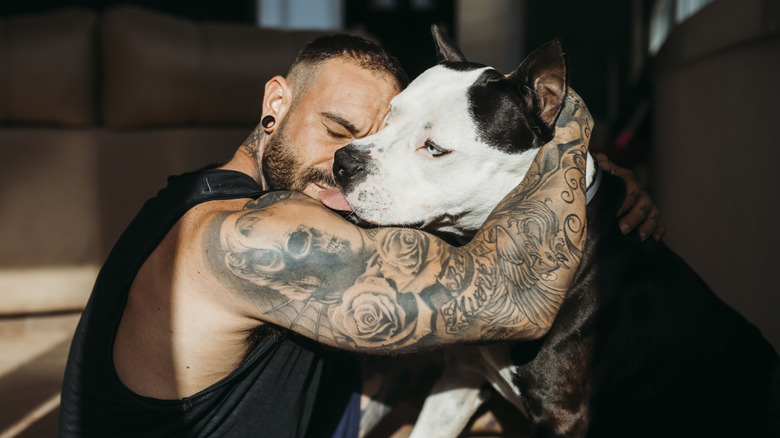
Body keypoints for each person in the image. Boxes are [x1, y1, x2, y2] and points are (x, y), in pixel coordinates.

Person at [59, 34, 662, 438]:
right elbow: (518, 301)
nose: (355, 160)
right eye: (337, 129)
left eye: (381, 140)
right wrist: (568, 134)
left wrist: (597, 191)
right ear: (275, 103)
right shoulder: (242, 242)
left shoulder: (213, 194)